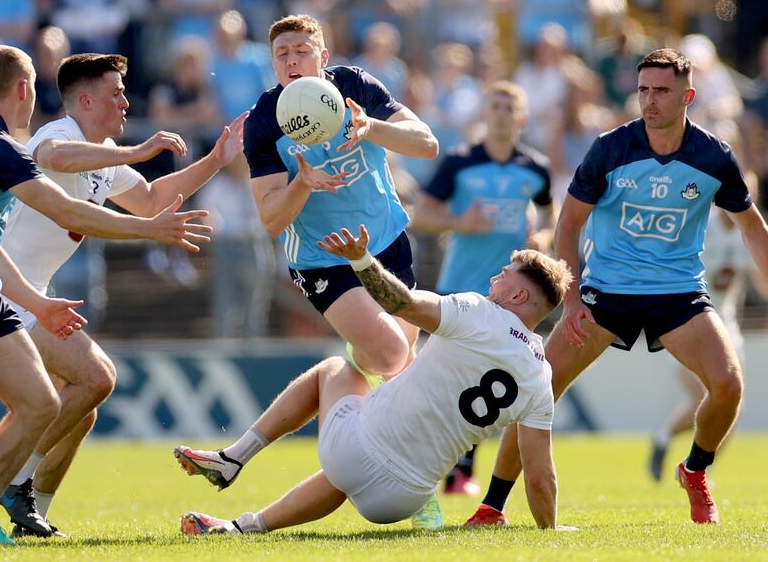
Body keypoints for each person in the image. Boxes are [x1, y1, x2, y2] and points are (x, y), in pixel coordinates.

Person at [0, 44, 213, 546]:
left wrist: (36, 303)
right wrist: (149, 223)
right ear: (22, 89)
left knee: (39, 404)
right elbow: (70, 213)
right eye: (34, 85)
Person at [470, 48, 768, 527]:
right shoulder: (611, 148)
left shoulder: (713, 157)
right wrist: (571, 300)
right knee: (538, 388)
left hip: (676, 293)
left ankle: (694, 470)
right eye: (643, 90)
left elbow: (754, 229)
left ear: (688, 96)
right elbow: (569, 224)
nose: (649, 101)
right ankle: (492, 506)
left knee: (728, 385)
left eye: (661, 91)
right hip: (605, 292)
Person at [176, 226, 574, 534]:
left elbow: (401, 301)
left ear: (519, 297)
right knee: (349, 467)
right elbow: (540, 475)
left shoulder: (477, 312)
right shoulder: (541, 376)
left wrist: (362, 259)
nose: (493, 281)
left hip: (356, 453)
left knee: (337, 370)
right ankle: (242, 527)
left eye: (503, 276)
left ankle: (233, 458)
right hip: (399, 501)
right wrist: (551, 530)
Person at [0, 52, 246, 536]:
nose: (127, 102)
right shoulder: (60, 135)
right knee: (96, 376)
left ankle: (31, 513)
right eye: (116, 93)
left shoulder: (101, 154)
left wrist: (216, 159)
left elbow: (152, 200)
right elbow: (51, 160)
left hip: (29, 296)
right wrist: (135, 152)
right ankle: (9, 482)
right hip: (7, 294)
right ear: (85, 100)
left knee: (81, 410)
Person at [215, 12, 440, 527]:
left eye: (301, 50)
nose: (292, 60)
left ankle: (417, 487)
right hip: (324, 260)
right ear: (273, 65)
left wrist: (372, 127)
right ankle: (348, 395)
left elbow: (425, 142)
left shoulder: (354, 86)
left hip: (386, 243)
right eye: (281, 54)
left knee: (397, 372)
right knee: (390, 354)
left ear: (323, 54)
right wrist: (302, 182)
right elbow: (271, 219)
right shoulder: (264, 122)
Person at [411, 80, 554, 496]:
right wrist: (460, 223)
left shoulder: (535, 168)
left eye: (511, 107)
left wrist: (542, 239)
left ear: (522, 118)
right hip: (461, 287)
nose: (503, 114)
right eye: (496, 106)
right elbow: (420, 214)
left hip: (513, 299)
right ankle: (437, 466)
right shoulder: (459, 162)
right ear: (484, 115)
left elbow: (549, 214)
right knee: (445, 379)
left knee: (490, 383)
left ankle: (460, 473)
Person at [649, 208, 749, 481]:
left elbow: (760, 277)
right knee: (706, 397)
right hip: (688, 322)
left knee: (731, 408)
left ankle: (701, 471)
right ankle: (664, 436)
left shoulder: (747, 230)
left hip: (727, 327)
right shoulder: (701, 225)